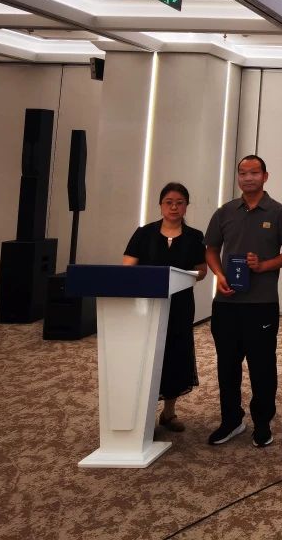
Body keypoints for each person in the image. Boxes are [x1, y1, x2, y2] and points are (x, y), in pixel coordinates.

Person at [203, 155, 282, 448]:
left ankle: (262, 422)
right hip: (226, 303)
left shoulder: (279, 213)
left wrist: (264, 265)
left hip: (262, 304)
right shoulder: (225, 212)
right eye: (243, 173)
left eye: (254, 172)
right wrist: (219, 275)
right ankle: (231, 420)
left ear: (265, 176)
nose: (248, 178)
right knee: (227, 365)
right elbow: (211, 249)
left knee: (262, 366)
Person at [121, 182, 207, 432]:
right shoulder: (144, 233)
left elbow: (201, 271)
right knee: (145, 355)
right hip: (146, 305)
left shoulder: (194, 236)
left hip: (179, 305)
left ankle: (169, 412)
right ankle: (141, 413)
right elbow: (128, 266)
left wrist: (186, 275)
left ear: (186, 206)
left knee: (175, 355)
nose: (174, 207)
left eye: (180, 203)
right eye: (169, 202)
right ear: (160, 205)